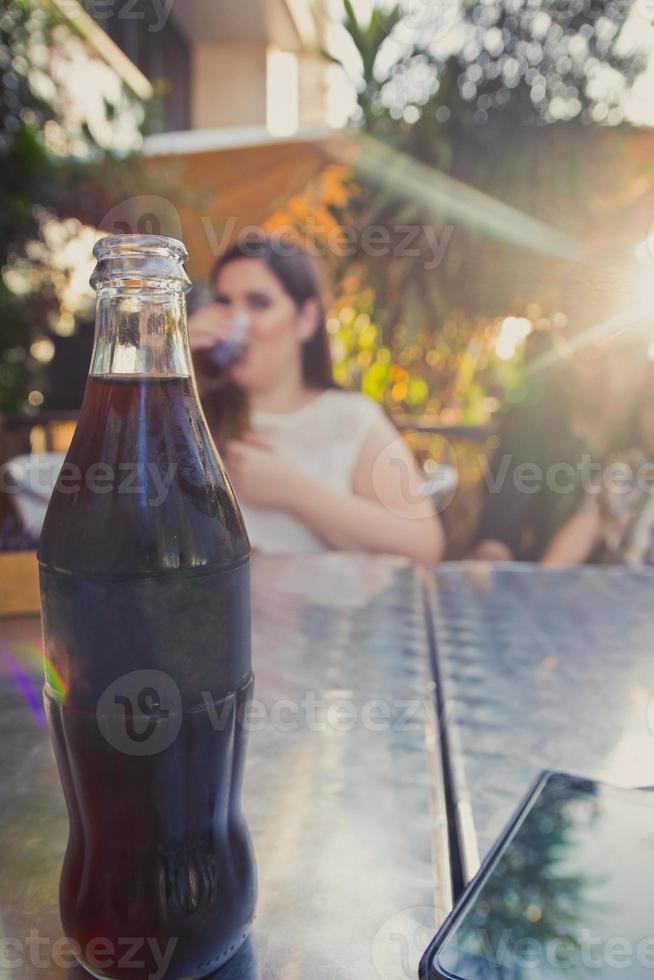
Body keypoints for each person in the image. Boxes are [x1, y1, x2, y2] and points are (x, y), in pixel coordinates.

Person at [188, 235, 444, 564]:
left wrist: (292, 491)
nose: (235, 324)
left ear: (307, 318)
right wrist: (166, 353)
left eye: (258, 303)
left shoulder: (351, 418)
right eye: (224, 304)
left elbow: (424, 546)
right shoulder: (188, 412)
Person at [543, 382, 654, 566]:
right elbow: (585, 527)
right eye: (650, 406)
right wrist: (542, 582)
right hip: (613, 591)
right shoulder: (626, 467)